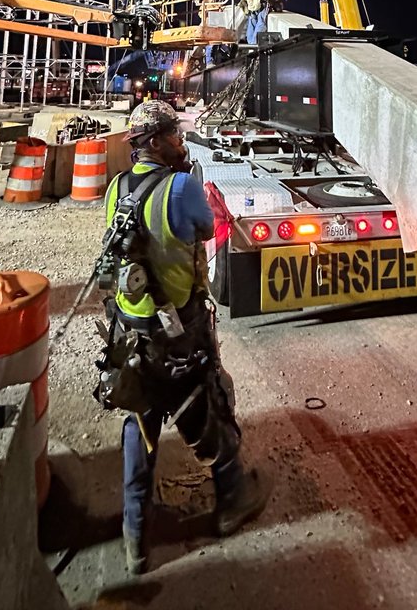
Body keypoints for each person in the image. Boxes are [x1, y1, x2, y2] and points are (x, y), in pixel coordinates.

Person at [98, 99, 267, 575]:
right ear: (155, 141)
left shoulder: (115, 188)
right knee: (209, 406)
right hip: (178, 335)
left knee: (140, 421)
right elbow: (207, 227)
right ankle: (232, 499)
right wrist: (190, 184)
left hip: (130, 333)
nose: (180, 140)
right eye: (173, 134)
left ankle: (135, 534)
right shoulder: (181, 187)